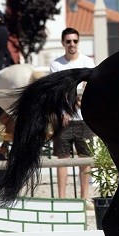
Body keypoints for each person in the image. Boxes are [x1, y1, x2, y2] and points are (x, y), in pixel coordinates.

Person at [50, 28, 96, 201]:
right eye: (68, 41)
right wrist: (65, 110)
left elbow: (89, 88)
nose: (72, 44)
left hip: (84, 118)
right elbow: (56, 92)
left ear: (78, 42)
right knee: (62, 160)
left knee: (85, 159)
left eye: (75, 41)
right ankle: (62, 199)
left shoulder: (87, 62)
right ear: (63, 43)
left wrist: (74, 100)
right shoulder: (56, 64)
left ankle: (84, 199)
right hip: (63, 119)